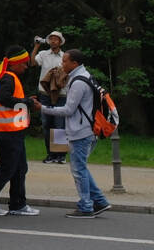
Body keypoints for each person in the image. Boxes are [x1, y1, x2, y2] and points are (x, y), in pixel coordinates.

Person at [32, 49, 111, 219]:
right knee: (81, 167)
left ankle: (86, 206)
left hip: (80, 131)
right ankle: (99, 201)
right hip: (85, 129)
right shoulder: (84, 75)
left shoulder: (78, 82)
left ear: (74, 63)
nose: (62, 64)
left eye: (65, 61)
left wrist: (43, 108)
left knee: (78, 170)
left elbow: (69, 110)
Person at [0, 46, 38, 216]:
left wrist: (24, 101)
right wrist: (26, 102)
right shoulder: (7, 78)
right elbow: (5, 99)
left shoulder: (8, 76)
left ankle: (18, 204)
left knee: (20, 167)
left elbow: (8, 99)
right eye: (24, 64)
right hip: (7, 130)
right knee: (8, 167)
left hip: (11, 130)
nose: (26, 67)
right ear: (15, 64)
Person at [32, 30, 68, 163]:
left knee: (59, 125)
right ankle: (50, 154)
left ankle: (60, 155)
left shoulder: (65, 56)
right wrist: (36, 46)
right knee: (47, 124)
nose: (53, 41)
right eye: (51, 39)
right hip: (45, 93)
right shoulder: (43, 54)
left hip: (61, 94)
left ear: (60, 42)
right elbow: (33, 63)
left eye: (56, 39)